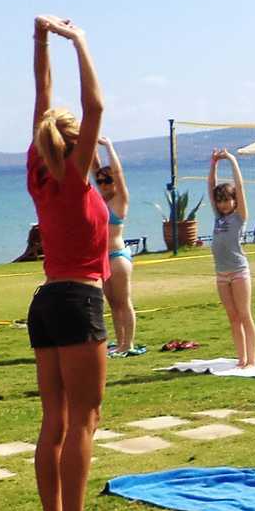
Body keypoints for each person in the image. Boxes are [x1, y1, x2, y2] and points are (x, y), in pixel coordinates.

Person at [27, 15, 111, 511]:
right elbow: (95, 106)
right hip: (79, 300)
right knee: (85, 417)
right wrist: (79, 40)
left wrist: (40, 39)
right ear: (77, 145)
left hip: (46, 301)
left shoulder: (37, 173)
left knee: (54, 418)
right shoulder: (75, 177)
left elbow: (43, 96)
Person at [208, 149, 255, 367]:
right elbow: (211, 188)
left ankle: (252, 359)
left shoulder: (240, 217)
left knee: (245, 315)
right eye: (220, 201)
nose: (223, 204)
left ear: (235, 201)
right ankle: (241, 358)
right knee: (233, 318)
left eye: (227, 200)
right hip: (221, 274)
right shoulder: (219, 218)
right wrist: (214, 164)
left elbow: (240, 187)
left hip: (238, 272)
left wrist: (232, 160)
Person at [95, 138, 142, 356]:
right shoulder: (100, 200)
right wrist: (88, 142)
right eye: (100, 181)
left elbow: (118, 172)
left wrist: (108, 147)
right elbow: (93, 167)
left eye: (107, 180)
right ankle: (120, 341)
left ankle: (129, 344)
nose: (103, 184)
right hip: (102, 259)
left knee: (124, 301)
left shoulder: (119, 200)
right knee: (112, 304)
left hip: (118, 257)